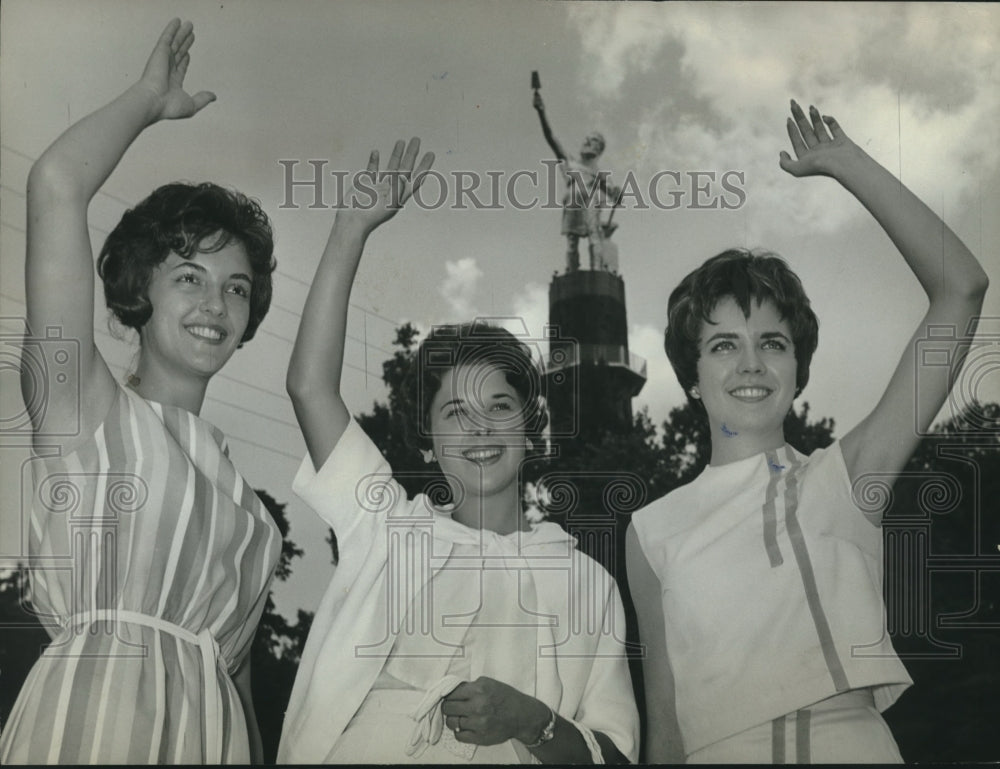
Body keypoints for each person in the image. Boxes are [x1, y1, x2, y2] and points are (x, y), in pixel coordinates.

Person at [626, 100, 988, 763]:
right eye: (723, 346)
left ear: (798, 365)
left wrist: (851, 167)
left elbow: (961, 288)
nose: (751, 363)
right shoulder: (651, 530)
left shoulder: (846, 479)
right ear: (691, 375)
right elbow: (665, 730)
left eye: (772, 341)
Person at [279, 139, 639, 763]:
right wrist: (350, 231)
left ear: (531, 426)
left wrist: (533, 719)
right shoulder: (388, 528)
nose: (478, 430)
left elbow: (614, 755)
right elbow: (309, 387)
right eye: (455, 412)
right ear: (429, 439)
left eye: (499, 407)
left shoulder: (587, 583)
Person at [0, 20, 280, 764]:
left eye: (237, 288)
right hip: (87, 728)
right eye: (189, 276)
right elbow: (55, 184)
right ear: (138, 288)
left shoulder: (253, 514)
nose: (215, 305)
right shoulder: (84, 406)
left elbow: (239, 690)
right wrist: (146, 100)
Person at [533, 91, 620, 273]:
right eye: (588, 139)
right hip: (572, 203)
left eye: (594, 140)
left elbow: (614, 194)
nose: (588, 141)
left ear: (599, 149)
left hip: (590, 202)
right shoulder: (570, 163)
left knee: (594, 237)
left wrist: (616, 194)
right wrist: (541, 112)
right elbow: (552, 138)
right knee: (571, 242)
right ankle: (572, 271)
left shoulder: (601, 173)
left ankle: (597, 271)